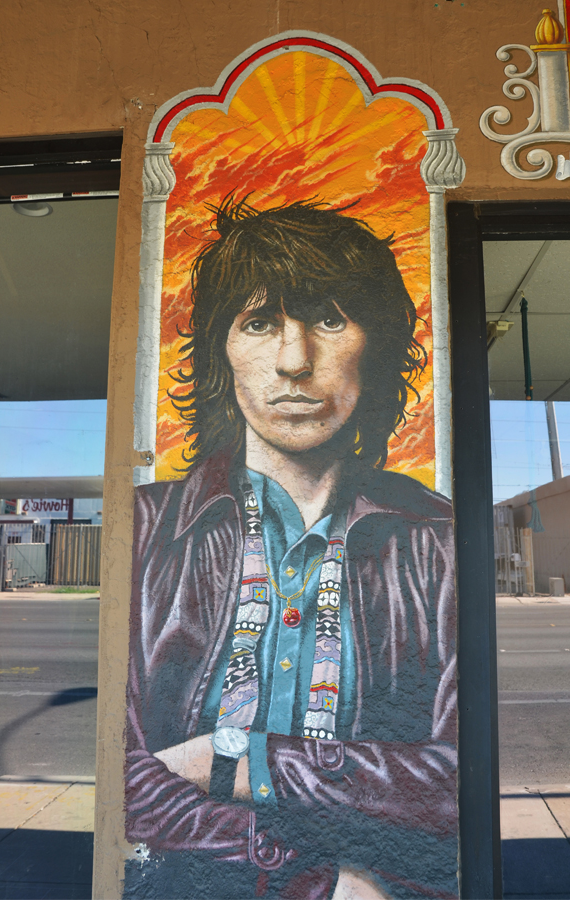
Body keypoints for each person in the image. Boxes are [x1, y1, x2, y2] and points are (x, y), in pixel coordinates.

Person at [124, 198, 458, 899]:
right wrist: (309, 878)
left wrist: (241, 759)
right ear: (219, 351)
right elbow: (117, 773)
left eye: (330, 320)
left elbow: (461, 775)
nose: (294, 360)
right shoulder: (146, 528)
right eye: (259, 323)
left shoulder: (438, 539)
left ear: (376, 344)